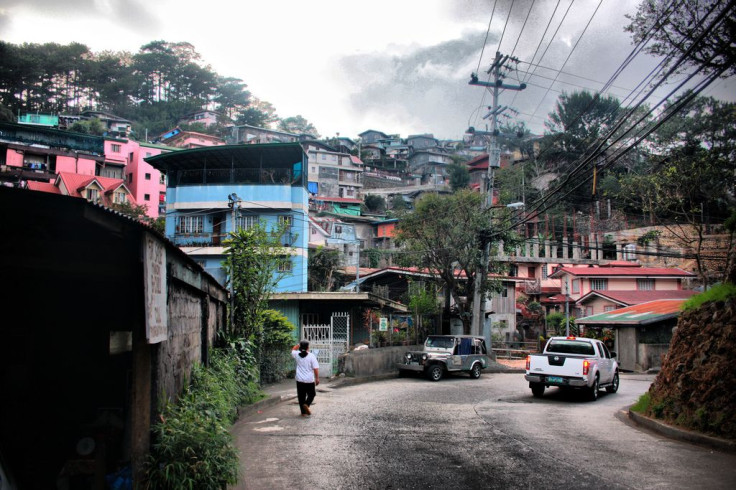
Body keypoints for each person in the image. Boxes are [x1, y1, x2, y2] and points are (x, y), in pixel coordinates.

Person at [291, 340, 319, 416]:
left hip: (299, 379)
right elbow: (315, 368)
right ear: (307, 347)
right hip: (309, 380)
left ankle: (303, 413)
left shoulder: (296, 354)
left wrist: (298, 345)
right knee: (312, 394)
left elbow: (293, 349)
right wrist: (317, 378)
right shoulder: (311, 356)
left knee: (301, 396)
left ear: (300, 347)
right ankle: (306, 404)